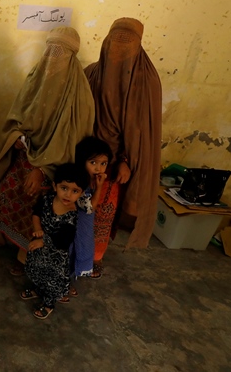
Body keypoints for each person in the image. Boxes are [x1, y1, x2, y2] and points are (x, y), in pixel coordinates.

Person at [0, 26, 94, 275]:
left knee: (38, 206)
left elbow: (73, 142)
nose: (53, 57)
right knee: (7, 192)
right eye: (50, 49)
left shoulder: (81, 96)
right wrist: (17, 137)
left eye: (60, 52)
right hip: (24, 156)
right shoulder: (35, 79)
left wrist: (41, 169)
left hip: (53, 170)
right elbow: (15, 120)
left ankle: (27, 256)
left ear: (72, 56)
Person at [84, 17, 162, 277]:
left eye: (126, 47)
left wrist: (126, 159)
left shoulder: (147, 82)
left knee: (104, 213)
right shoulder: (91, 73)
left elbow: (144, 130)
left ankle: (95, 256)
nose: (119, 53)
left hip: (118, 165)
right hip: (85, 158)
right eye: (114, 44)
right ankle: (74, 251)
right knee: (79, 207)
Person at [19, 163, 88, 320]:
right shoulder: (47, 199)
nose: (68, 194)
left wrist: (43, 241)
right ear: (54, 185)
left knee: (52, 279)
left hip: (55, 256)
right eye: (64, 188)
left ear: (81, 193)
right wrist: (37, 230)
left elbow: (64, 239)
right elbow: (36, 213)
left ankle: (49, 303)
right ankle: (38, 289)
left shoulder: (72, 214)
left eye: (74, 191)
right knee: (35, 269)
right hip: (38, 247)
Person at [69, 136, 112, 284]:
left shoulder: (91, 181)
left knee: (78, 251)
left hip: (83, 227)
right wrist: (100, 188)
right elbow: (89, 208)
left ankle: (67, 284)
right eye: (93, 162)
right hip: (75, 227)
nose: (98, 168)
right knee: (71, 252)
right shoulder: (81, 183)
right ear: (82, 161)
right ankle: (63, 287)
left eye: (103, 164)